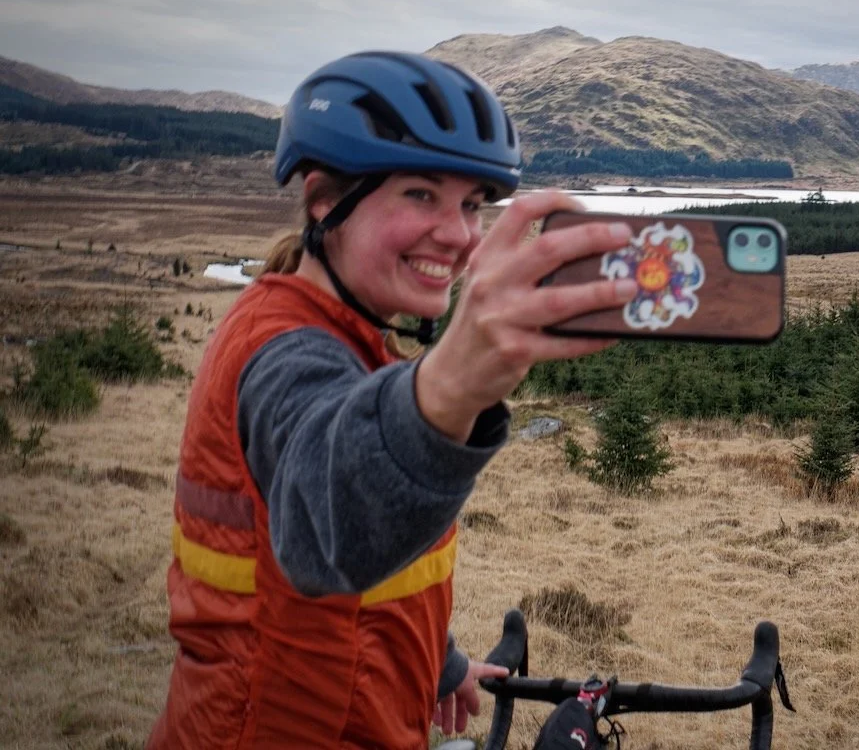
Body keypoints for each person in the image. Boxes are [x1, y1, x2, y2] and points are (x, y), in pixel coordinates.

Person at [147, 51, 638, 749]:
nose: (460, 235)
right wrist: (454, 380)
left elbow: (354, 573)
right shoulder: (284, 351)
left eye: (471, 205)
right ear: (325, 201)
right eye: (420, 195)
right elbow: (331, 519)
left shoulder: (345, 335)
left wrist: (441, 664)